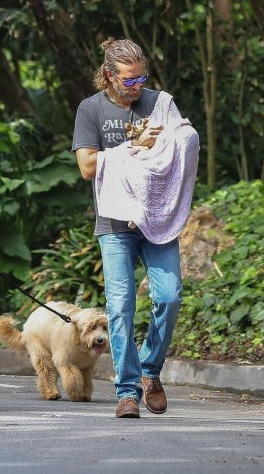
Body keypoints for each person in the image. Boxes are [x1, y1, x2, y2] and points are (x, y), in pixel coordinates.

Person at [72, 37, 198, 419]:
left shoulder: (160, 102)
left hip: (157, 218)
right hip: (114, 222)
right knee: (121, 306)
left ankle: (149, 370)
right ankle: (127, 391)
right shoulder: (90, 110)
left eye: (141, 77)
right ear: (108, 76)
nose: (137, 86)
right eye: (128, 80)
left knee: (170, 296)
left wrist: (176, 141)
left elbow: (182, 140)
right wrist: (133, 147)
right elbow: (87, 167)